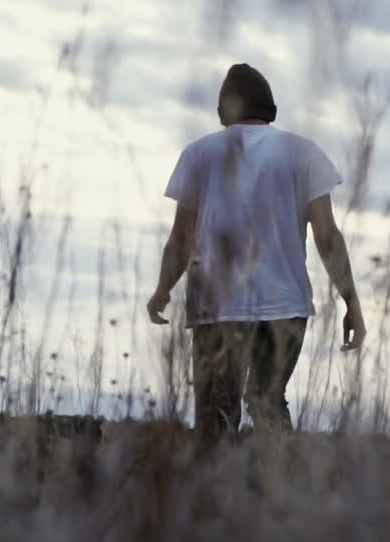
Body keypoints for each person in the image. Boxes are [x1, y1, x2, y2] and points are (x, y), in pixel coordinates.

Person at [146, 63, 366, 448]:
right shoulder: (303, 153)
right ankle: (278, 495)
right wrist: (351, 302)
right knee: (267, 402)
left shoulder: (199, 154)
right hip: (285, 305)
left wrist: (163, 291)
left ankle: (214, 499)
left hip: (218, 308)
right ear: (270, 107)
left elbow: (182, 236)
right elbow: (327, 235)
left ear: (223, 111)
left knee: (216, 417)